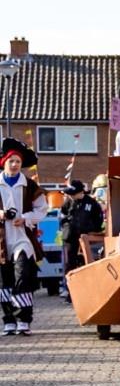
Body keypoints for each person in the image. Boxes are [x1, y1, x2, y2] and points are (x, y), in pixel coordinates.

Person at [0, 139, 47, 336]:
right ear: (4, 162)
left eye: (18, 161)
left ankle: (24, 319)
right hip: (2, 241)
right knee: (4, 281)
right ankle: (9, 320)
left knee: (22, 276)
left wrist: (25, 218)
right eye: (11, 161)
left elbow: (42, 209)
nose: (14, 164)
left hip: (22, 238)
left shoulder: (29, 184)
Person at [60, 179, 106, 279]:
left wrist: (92, 230)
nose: (71, 196)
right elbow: (62, 217)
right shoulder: (68, 202)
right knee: (69, 263)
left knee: (86, 262)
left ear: (81, 192)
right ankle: (69, 284)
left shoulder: (91, 203)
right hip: (70, 237)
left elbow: (98, 219)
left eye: (73, 194)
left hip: (87, 238)